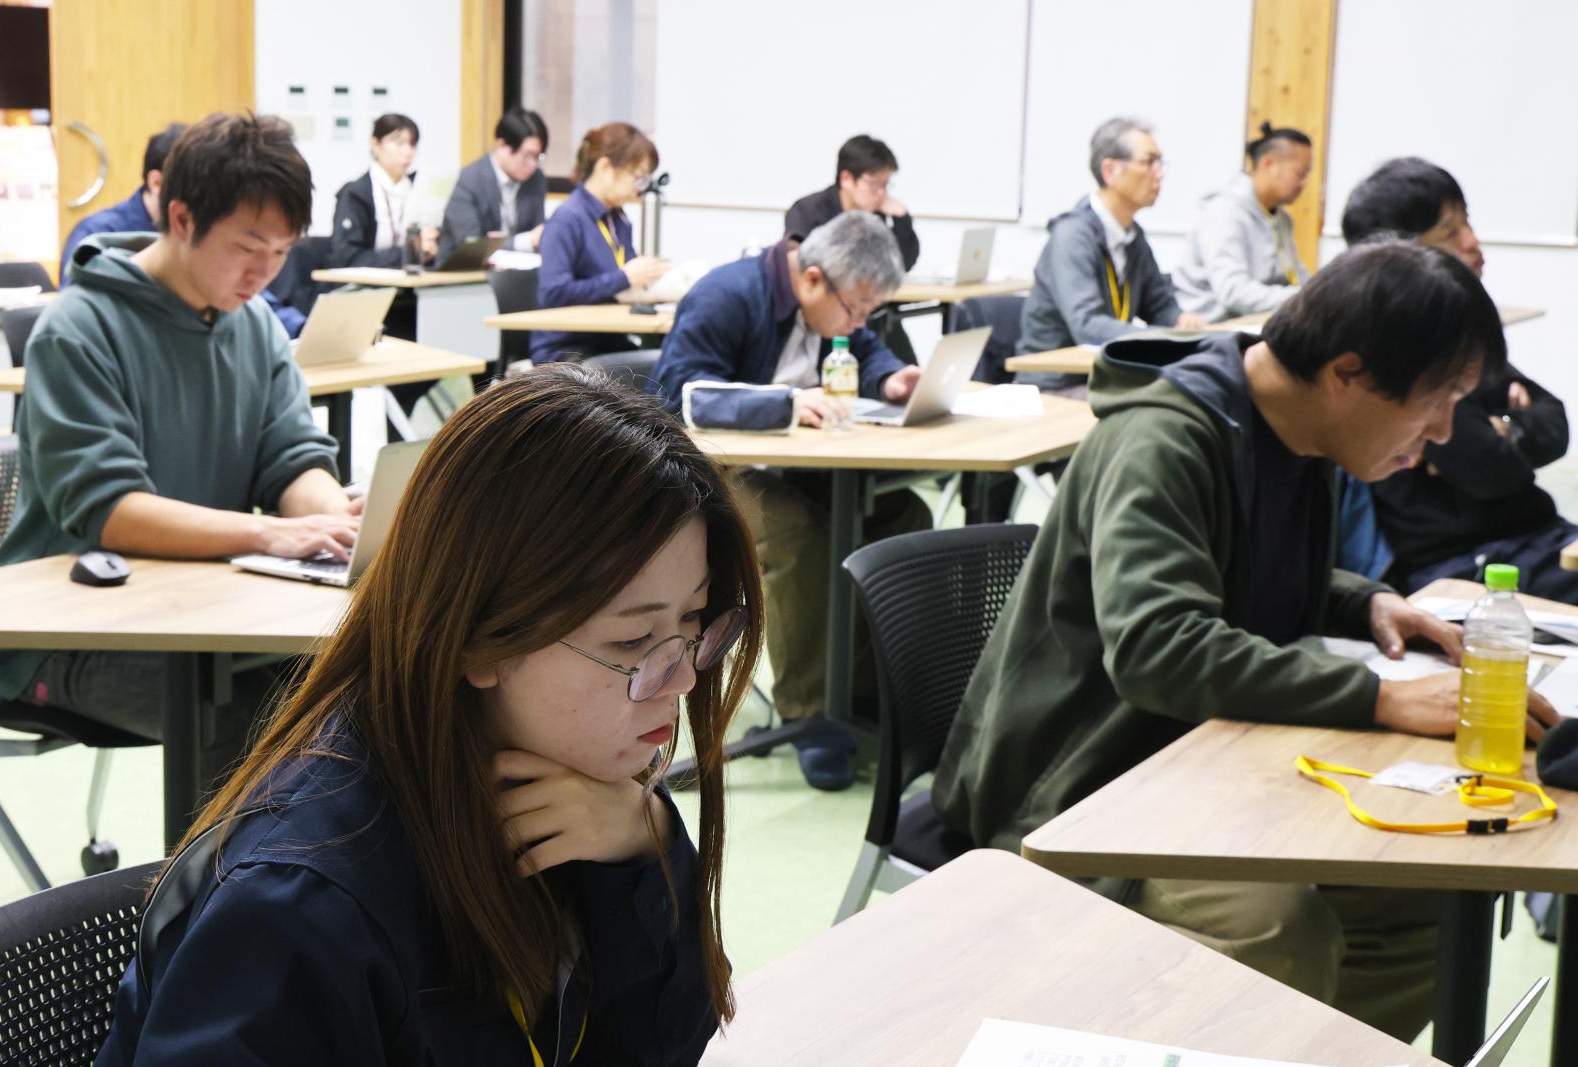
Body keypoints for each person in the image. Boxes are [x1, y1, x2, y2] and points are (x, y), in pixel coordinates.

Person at [933, 239, 1559, 1041]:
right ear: (1347, 373)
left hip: (1203, 755)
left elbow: (1233, 565)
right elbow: (1160, 646)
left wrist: (1362, 601)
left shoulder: (1294, 431)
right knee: (1278, 930)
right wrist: (1383, 698)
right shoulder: (1164, 439)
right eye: (1436, 400)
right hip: (1084, 787)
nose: (1442, 431)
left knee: (1427, 897)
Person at [95, 368, 764, 1065]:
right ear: (479, 639)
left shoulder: (587, 793)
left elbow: (657, 1049)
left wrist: (644, 850)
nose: (684, 676)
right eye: (632, 641)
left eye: (695, 620)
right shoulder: (298, 908)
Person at [0, 113, 358, 785]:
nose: (264, 273)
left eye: (282, 252)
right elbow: (110, 509)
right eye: (248, 247)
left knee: (366, 685)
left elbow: (292, 455)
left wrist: (334, 521)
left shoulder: (255, 327)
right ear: (182, 218)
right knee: (261, 724)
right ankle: (225, 862)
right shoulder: (78, 330)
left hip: (205, 611)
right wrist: (273, 534)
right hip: (70, 634)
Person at [653, 211, 927, 791]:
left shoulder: (831, 303)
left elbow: (865, 348)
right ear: (812, 279)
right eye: (856, 309)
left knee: (901, 515)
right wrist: (784, 403)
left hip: (794, 464)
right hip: (705, 471)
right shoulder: (726, 296)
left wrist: (891, 377)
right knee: (796, 530)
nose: (859, 322)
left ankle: (861, 691)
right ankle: (810, 712)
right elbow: (677, 395)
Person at [1340, 157, 1577, 600]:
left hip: (1533, 538)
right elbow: (1490, 468)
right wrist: (1505, 429)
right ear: (1400, 255)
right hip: (1467, 561)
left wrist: (1503, 426)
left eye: (1467, 222)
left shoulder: (1460, 330)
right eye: (1450, 232)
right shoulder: (1398, 348)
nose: (1472, 241)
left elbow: (1556, 421)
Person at [1019, 117, 1207, 395]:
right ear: (1110, 171)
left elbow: (1159, 305)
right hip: (1055, 384)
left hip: (1103, 375)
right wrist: (1163, 338)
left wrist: (1180, 321)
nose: (1159, 173)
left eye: (1160, 162)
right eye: (1149, 162)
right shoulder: (1072, 235)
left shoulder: (1133, 236)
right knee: (1166, 401)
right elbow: (1087, 325)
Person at [530, 122, 670, 365]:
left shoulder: (618, 219)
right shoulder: (568, 218)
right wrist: (624, 278)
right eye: (637, 177)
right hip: (567, 349)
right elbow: (553, 293)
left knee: (666, 361)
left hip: (608, 340)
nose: (638, 190)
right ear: (604, 167)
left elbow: (626, 281)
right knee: (650, 369)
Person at [1172, 122, 1313, 321]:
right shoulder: (1224, 212)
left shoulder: (1281, 219)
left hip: (1256, 321)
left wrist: (1319, 293)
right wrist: (1303, 297)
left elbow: (1297, 277)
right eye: (1300, 173)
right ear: (1268, 164)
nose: (1304, 183)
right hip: (1213, 327)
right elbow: (1233, 292)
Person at [58, 123, 186, 286]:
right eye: (191, 185)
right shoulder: (96, 234)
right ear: (156, 182)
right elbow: (76, 298)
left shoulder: (194, 235)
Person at [785, 134, 919, 272]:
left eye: (885, 184)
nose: (882, 193)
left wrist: (902, 220)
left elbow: (901, 267)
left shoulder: (877, 215)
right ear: (846, 179)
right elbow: (795, 263)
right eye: (874, 184)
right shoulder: (807, 210)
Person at [439, 107, 550, 262]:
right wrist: (524, 241)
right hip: (463, 271)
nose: (533, 164)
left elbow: (539, 235)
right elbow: (471, 246)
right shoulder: (469, 181)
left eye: (538, 157)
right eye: (528, 155)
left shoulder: (536, 180)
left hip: (517, 270)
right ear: (502, 145)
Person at [329, 113, 438, 269]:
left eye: (412, 144)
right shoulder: (356, 194)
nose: (408, 152)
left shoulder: (419, 189)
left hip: (413, 278)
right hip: (366, 281)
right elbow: (347, 258)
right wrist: (407, 254)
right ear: (375, 144)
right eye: (399, 143)